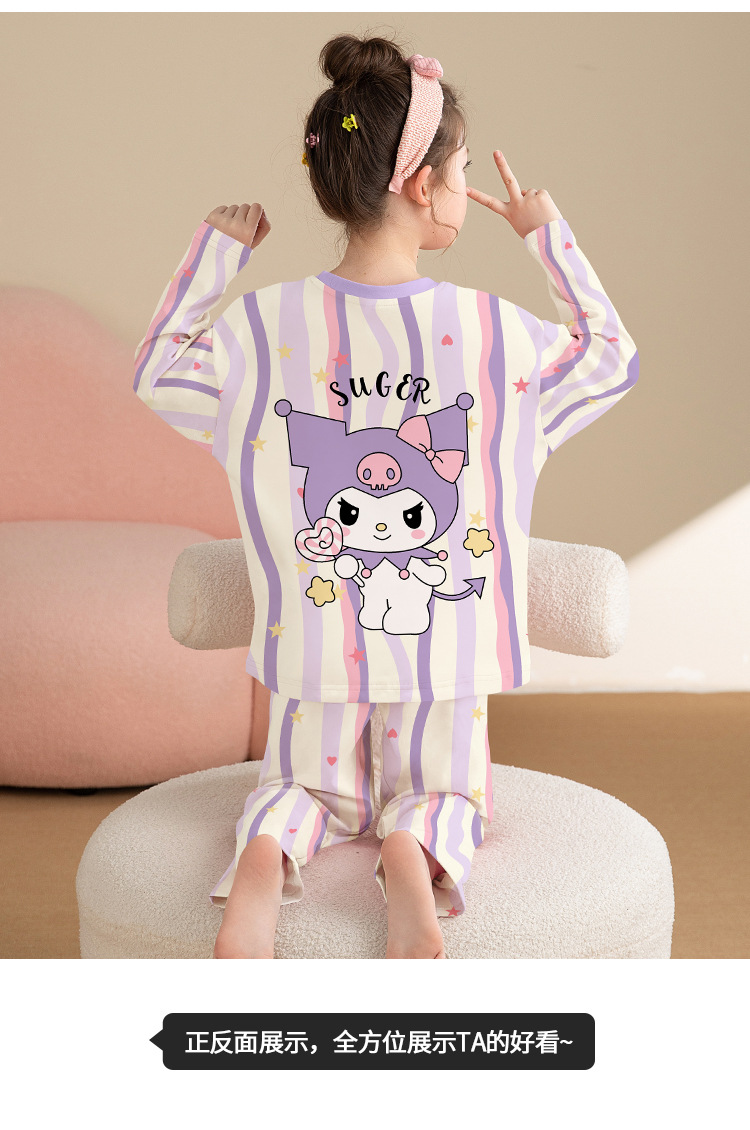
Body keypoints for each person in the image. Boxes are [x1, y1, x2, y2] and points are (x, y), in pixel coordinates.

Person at [133, 33, 639, 959]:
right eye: (460, 172)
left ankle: (267, 852)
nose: (467, 192)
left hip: (313, 648)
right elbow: (612, 359)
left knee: (297, 787)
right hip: (448, 655)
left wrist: (217, 254)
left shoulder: (261, 327)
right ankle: (415, 849)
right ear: (421, 182)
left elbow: (156, 371)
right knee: (448, 792)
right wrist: (545, 236)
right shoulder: (493, 333)